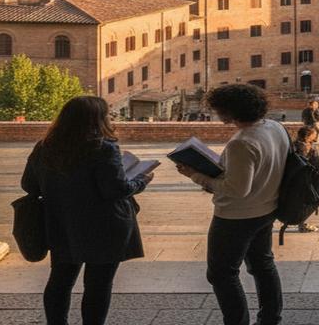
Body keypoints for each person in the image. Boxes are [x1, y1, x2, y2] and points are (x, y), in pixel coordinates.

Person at [22, 96, 153, 325]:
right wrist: (141, 180)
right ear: (97, 119)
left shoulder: (45, 146)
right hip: (104, 225)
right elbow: (116, 189)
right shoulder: (103, 148)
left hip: (62, 223)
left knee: (60, 280)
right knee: (98, 284)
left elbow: (29, 185)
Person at [176, 84, 287, 325]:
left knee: (221, 273)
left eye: (218, 110)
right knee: (263, 265)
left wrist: (195, 175)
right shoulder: (275, 127)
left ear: (230, 111)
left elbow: (237, 190)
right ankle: (270, 318)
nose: (217, 114)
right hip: (267, 208)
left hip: (236, 217)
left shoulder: (242, 142)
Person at [294, 126, 319, 233]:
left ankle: (301, 222)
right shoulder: (302, 147)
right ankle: (301, 223)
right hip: (306, 178)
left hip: (308, 177)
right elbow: (304, 163)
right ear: (308, 135)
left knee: (306, 200)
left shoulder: (300, 144)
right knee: (309, 200)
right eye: (314, 134)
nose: (316, 136)